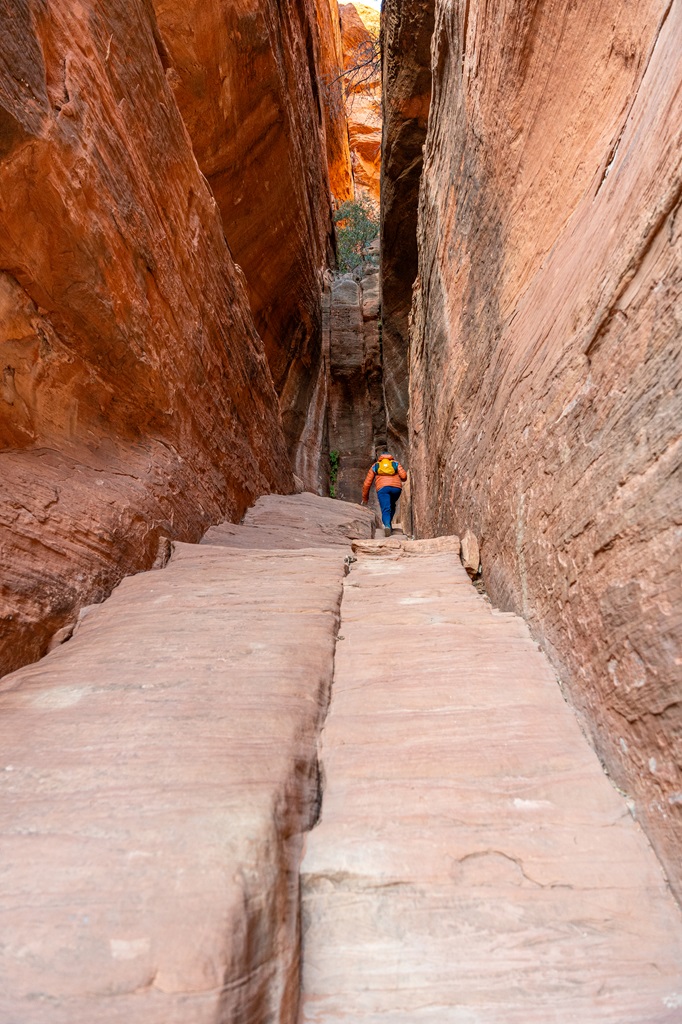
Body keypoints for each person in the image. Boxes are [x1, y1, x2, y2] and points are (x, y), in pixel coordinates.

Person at [361, 450, 407, 536]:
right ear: (390, 456)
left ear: (380, 457)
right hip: (396, 488)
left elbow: (367, 483)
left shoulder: (376, 466)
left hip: (382, 489)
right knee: (392, 505)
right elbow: (404, 476)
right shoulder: (395, 464)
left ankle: (387, 525)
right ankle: (389, 525)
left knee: (386, 508)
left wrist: (365, 498)